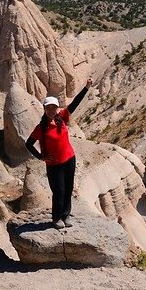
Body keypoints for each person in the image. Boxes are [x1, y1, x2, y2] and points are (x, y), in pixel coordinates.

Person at [25, 77, 92, 229]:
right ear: (44, 109)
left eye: (53, 108)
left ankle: (66, 215)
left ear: (56, 108)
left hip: (69, 159)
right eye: (48, 108)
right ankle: (56, 218)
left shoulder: (62, 118)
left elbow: (74, 104)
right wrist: (40, 157)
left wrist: (86, 87)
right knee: (59, 191)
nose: (51, 110)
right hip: (54, 165)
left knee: (68, 189)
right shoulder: (40, 128)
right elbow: (28, 144)